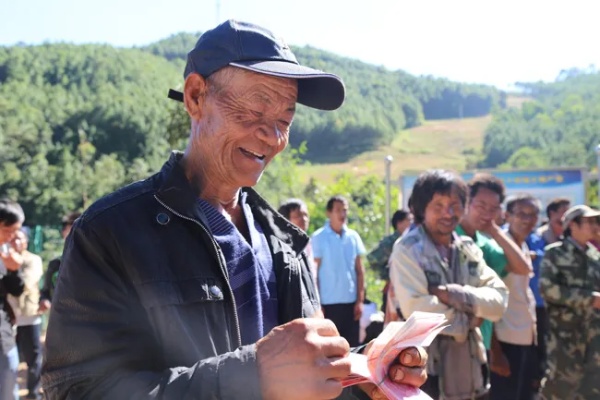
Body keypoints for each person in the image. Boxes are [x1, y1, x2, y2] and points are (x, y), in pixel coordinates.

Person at [42, 20, 427, 400]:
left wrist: (364, 377)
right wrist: (253, 374)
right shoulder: (110, 233)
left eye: (284, 120)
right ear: (195, 96)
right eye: (256, 112)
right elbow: (79, 391)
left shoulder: (282, 241)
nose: (273, 137)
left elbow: (300, 374)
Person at [389, 170, 508, 400]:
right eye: (438, 205)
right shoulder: (408, 249)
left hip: (472, 369)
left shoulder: (468, 249)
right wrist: (471, 319)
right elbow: (418, 309)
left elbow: (499, 301)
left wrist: (454, 295)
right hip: (425, 371)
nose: (448, 212)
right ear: (422, 209)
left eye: (455, 204)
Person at [455, 173, 531, 384]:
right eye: (481, 205)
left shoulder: (485, 243)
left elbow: (523, 268)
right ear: (466, 202)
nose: (487, 213)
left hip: (482, 341)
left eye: (493, 208)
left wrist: (495, 231)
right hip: (453, 339)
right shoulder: (450, 237)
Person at [540, 205, 600, 399]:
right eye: (588, 222)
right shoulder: (554, 253)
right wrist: (589, 298)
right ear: (572, 225)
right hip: (565, 336)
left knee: (592, 387)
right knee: (561, 386)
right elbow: (548, 289)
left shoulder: (595, 256)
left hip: (594, 336)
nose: (594, 226)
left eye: (595, 221)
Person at [490, 195, 538, 400]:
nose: (527, 220)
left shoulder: (523, 246)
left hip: (525, 337)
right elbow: (488, 301)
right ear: (507, 216)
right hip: (504, 339)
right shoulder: (498, 249)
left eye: (532, 215)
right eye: (521, 214)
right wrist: (495, 352)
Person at [312, 195, 366, 347]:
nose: (342, 214)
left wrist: (360, 300)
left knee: (352, 348)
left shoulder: (353, 237)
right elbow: (313, 274)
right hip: (328, 304)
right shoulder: (318, 237)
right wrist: (317, 304)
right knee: (330, 349)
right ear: (328, 213)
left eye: (345, 210)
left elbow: (360, 270)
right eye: (338, 210)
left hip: (350, 302)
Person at [7, 229, 43, 400]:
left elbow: (27, 282)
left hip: (30, 317)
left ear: (26, 241)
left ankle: (33, 393)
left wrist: (13, 266)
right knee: (9, 359)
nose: (16, 242)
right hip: (9, 318)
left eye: (19, 239)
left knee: (33, 359)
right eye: (13, 239)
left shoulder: (33, 260)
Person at [0, 199, 26, 400]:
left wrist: (13, 270)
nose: (11, 238)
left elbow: (16, 291)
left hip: (4, 333)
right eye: (8, 231)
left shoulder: (5, 253)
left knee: (9, 385)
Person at [367, 209, 411, 320]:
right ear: (399, 224)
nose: (411, 223)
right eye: (408, 220)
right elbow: (372, 258)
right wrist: (387, 274)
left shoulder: (411, 241)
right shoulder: (391, 242)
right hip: (393, 290)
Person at [38, 211, 81, 313]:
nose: (73, 237)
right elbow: (46, 292)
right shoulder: (55, 263)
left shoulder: (95, 263)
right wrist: (44, 300)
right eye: (69, 232)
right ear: (63, 233)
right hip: (62, 319)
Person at [278, 198, 317, 283]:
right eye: (298, 216)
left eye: (306, 215)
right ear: (286, 220)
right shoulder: (282, 247)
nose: (304, 219)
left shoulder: (308, 243)